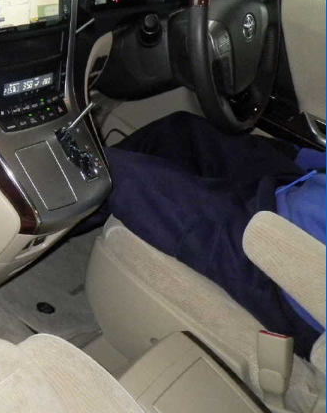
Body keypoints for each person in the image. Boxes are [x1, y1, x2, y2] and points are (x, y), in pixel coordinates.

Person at [80, 111, 325, 358]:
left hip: (286, 269)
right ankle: (70, 221)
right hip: (292, 190)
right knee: (177, 132)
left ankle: (55, 222)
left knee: (109, 172)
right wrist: (302, 158)